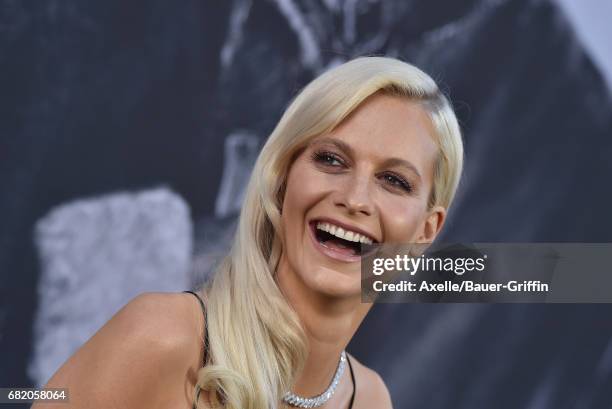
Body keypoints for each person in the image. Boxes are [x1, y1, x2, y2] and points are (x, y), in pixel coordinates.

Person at [32, 56, 464, 409]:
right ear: (282, 177)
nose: (355, 199)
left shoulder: (370, 399)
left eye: (395, 181)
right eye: (332, 160)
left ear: (427, 229)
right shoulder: (162, 337)